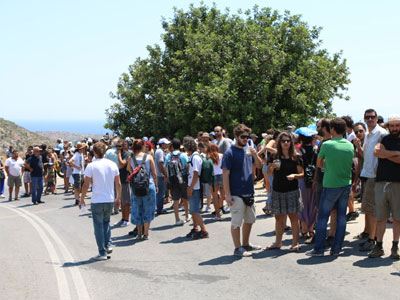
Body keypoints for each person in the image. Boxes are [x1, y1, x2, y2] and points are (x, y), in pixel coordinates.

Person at [308, 118, 354, 256]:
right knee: (341, 217)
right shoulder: (349, 145)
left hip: (330, 185)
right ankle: (336, 249)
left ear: (332, 129)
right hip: (345, 184)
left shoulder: (327, 145)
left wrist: (327, 167)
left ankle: (319, 249)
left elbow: (319, 163)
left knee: (322, 218)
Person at [222, 124, 262, 257]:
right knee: (236, 222)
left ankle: (246, 244)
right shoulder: (229, 153)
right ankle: (237, 248)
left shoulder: (249, 150)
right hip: (236, 193)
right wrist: (227, 194)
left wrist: (255, 155)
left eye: (247, 137)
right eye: (243, 137)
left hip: (249, 191)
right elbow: (225, 174)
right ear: (236, 136)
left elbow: (259, 165)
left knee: (250, 220)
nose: (245, 139)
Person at [80, 142, 121, 261]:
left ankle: (102, 252)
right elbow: (117, 183)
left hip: (97, 199)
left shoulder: (91, 166)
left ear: (94, 152)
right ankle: (108, 244)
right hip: (109, 199)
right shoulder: (112, 164)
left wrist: (82, 198)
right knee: (106, 222)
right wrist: (118, 197)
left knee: (98, 226)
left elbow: (86, 184)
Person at [368, 116, 400, 259]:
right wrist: (396, 154)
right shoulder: (384, 139)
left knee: (398, 219)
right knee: (381, 217)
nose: (394, 128)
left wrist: (385, 154)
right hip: (381, 182)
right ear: (388, 126)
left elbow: (383, 154)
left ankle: (395, 247)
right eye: (392, 125)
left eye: (397, 125)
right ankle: (379, 246)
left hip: (397, 183)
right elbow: (376, 153)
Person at [267, 132, 304, 251]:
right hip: (278, 190)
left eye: (288, 141)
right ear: (279, 143)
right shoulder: (274, 156)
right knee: (279, 218)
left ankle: (295, 243)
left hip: (292, 191)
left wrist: (295, 175)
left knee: (293, 218)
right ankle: (278, 243)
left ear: (291, 142)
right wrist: (272, 167)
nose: (286, 143)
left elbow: (302, 174)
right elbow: (268, 173)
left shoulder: (296, 156)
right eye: (283, 141)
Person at [358, 109, 387, 252]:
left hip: (376, 176)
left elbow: (383, 155)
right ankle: (371, 236)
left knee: (373, 209)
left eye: (372, 117)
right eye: (367, 117)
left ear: (376, 118)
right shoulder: (368, 134)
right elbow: (366, 156)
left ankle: (373, 239)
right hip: (368, 174)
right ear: (364, 119)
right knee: (368, 209)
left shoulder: (381, 133)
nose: (370, 119)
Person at [127, 139, 158, 240]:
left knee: (137, 209)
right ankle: (146, 234)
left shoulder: (130, 158)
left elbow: (129, 170)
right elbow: (154, 173)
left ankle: (139, 233)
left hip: (136, 187)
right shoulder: (149, 157)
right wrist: (156, 185)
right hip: (148, 185)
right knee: (148, 209)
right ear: (143, 146)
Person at [183, 136, 209, 239]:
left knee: (194, 210)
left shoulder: (195, 157)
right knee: (193, 210)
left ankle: (204, 230)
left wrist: (191, 187)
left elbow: (196, 173)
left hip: (195, 187)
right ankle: (195, 228)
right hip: (193, 186)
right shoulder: (193, 156)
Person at [165, 138, 190, 225]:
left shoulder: (168, 156)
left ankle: (177, 219)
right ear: (180, 146)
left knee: (175, 200)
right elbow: (187, 166)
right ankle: (187, 216)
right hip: (182, 178)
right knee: (185, 198)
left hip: (173, 179)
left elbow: (166, 168)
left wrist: (168, 178)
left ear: (172, 146)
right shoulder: (183, 155)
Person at [113, 140, 131, 228]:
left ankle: (127, 219)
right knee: (122, 201)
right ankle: (123, 218)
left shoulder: (127, 154)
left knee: (126, 201)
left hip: (125, 180)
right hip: (120, 180)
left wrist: (119, 154)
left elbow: (122, 164)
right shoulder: (119, 153)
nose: (118, 148)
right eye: (117, 146)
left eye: (120, 146)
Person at [207, 143, 225, 220]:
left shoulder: (208, 157)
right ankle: (221, 207)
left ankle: (218, 215)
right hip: (222, 175)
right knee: (223, 194)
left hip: (213, 176)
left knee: (214, 196)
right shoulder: (221, 155)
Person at [155, 138, 170, 215]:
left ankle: (159, 208)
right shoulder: (160, 152)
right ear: (162, 144)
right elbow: (161, 164)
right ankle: (159, 209)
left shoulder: (158, 151)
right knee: (161, 193)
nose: (167, 145)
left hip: (158, 174)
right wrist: (165, 174)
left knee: (160, 193)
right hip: (160, 175)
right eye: (166, 144)